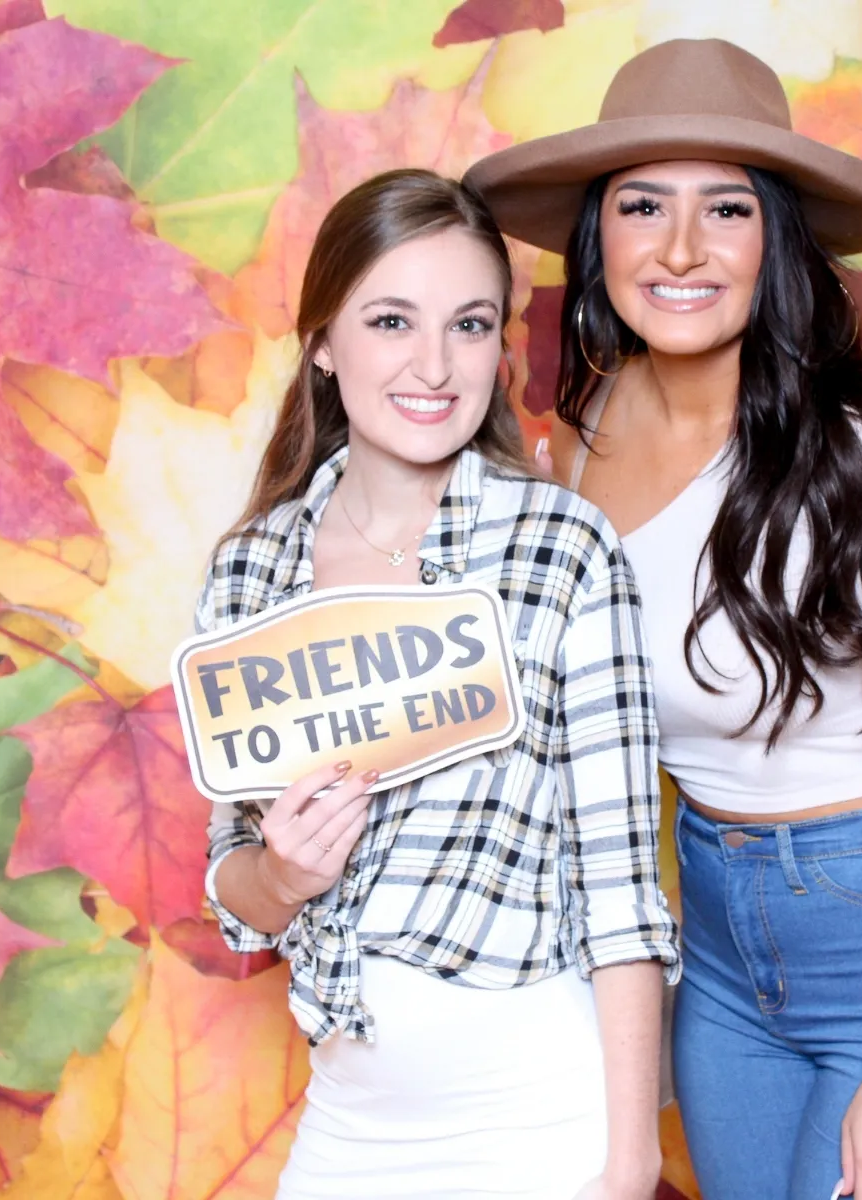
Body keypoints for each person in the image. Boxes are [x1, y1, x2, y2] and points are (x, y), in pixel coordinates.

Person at [467, 39, 862, 1200]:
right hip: (722, 960)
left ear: (773, 240)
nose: (682, 248)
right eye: (643, 205)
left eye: (726, 209)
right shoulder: (573, 442)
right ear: (597, 238)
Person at [193, 168, 679, 1200]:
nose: (433, 364)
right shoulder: (251, 572)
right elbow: (235, 879)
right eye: (391, 321)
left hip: (538, 1121)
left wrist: (629, 1157)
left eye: (469, 325)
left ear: (498, 347)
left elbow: (622, 886)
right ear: (324, 342)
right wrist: (283, 877)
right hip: (350, 1123)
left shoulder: (561, 549)